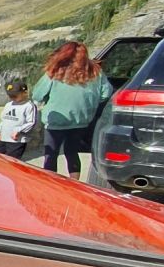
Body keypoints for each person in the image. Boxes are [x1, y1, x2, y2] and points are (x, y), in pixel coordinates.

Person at [31, 40, 112, 178]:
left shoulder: (55, 71)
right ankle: (75, 183)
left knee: (51, 154)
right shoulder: (95, 72)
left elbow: (37, 95)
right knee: (72, 153)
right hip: (81, 119)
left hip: (56, 121)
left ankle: (50, 183)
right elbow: (106, 93)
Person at [0, 79, 38, 160]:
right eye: (10, 96)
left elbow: (31, 122)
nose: (12, 98)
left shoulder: (29, 106)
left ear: (24, 93)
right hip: (4, 138)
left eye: (15, 96)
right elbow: (4, 120)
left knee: (11, 161)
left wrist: (18, 130)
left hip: (17, 141)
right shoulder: (8, 105)